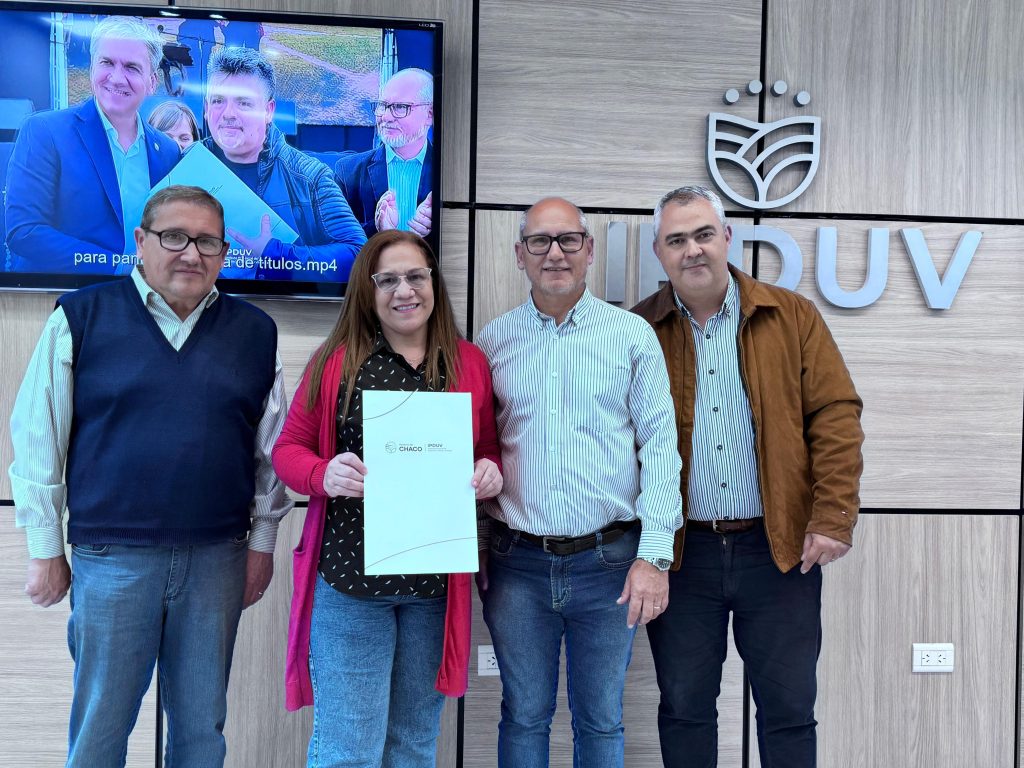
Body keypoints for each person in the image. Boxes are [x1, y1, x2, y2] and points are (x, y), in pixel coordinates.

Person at [8, 185, 293, 767]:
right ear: (140, 241)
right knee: (101, 728)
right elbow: (39, 435)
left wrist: (262, 545)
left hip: (216, 560)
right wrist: (45, 549)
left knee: (201, 732)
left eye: (208, 242)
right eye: (174, 237)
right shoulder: (81, 317)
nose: (191, 253)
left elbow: (271, 454)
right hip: (112, 560)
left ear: (225, 251)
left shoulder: (256, 333)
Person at [631, 185, 864, 768]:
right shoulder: (637, 329)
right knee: (684, 708)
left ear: (727, 238)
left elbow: (835, 415)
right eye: (676, 240)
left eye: (703, 234)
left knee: (789, 711)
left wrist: (833, 516)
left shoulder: (791, 316)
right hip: (681, 554)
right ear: (659, 252)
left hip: (778, 548)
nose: (693, 249)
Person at [272, 230, 502, 766]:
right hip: (352, 585)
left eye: (416, 276)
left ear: (433, 283)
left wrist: (490, 471)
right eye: (388, 280)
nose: (405, 290)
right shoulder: (337, 361)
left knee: (414, 745)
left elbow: (487, 447)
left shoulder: (468, 363)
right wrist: (323, 473)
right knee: (348, 749)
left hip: (435, 590)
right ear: (368, 290)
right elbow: (288, 450)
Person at [475, 197, 683, 767]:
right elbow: (480, 452)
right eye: (539, 241)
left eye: (568, 240)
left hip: (610, 565)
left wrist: (654, 557)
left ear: (589, 250)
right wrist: (476, 546)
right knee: (523, 716)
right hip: (517, 565)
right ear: (519, 254)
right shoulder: (493, 343)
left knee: (601, 720)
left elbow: (660, 449)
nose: (555, 253)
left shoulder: (632, 336)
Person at [5, 16, 181, 274]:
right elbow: (24, 231)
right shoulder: (44, 131)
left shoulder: (168, 151)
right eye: (107, 62)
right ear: (92, 69)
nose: (117, 78)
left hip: (145, 296)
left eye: (132, 67)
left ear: (152, 82)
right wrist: (117, 266)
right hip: (66, 295)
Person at [203, 47, 366, 281]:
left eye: (244, 103)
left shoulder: (310, 177)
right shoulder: (183, 166)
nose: (228, 113)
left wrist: (277, 256)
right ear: (207, 108)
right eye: (218, 100)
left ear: (268, 111)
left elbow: (357, 254)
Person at [335, 68, 434, 238]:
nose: (386, 117)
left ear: (429, 114)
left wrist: (439, 225)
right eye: (382, 105)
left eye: (400, 107)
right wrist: (379, 231)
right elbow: (335, 238)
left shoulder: (452, 174)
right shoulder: (348, 172)